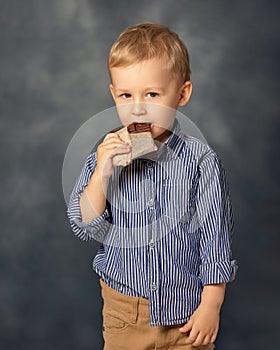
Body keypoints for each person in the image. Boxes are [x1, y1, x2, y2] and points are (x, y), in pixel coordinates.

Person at [67, 22, 237, 350]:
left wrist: (211, 305)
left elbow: (215, 239)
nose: (138, 108)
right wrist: (102, 173)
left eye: (153, 94)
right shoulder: (106, 154)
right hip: (124, 313)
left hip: (187, 315)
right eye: (127, 95)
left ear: (182, 94)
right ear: (114, 95)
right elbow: (84, 226)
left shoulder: (200, 161)